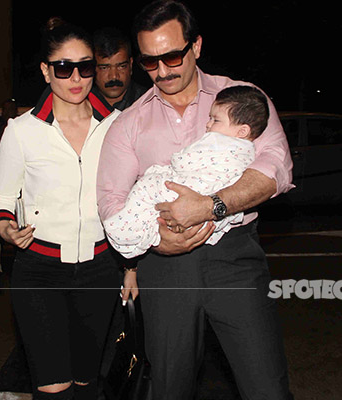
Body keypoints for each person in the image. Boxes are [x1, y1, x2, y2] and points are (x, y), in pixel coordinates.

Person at [96, 1, 295, 399]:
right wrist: (155, 239)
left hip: (234, 258)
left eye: (172, 56)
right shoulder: (128, 123)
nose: (163, 71)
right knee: (170, 388)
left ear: (196, 46)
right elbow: (111, 200)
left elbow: (278, 166)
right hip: (165, 266)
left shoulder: (241, 98)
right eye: (150, 62)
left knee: (266, 386)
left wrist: (212, 206)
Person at [0, 17, 121, 400]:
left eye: (85, 66)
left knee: (86, 381)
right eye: (64, 67)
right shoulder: (22, 130)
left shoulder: (117, 126)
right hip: (39, 270)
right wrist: (7, 228)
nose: (75, 77)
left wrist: (129, 267)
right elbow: (0, 199)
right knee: (53, 386)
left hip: (100, 268)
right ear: (47, 71)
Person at [104, 85, 268, 258]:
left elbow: (184, 161)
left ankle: (125, 231)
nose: (208, 124)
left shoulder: (216, 140)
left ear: (242, 130)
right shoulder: (249, 151)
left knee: (148, 185)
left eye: (215, 120)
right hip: (214, 206)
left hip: (195, 190)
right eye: (209, 118)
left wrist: (174, 160)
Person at [93, 26, 147, 110]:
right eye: (104, 68)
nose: (114, 76)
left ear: (130, 65)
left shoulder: (148, 103)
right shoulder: (81, 105)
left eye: (121, 67)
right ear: (92, 69)